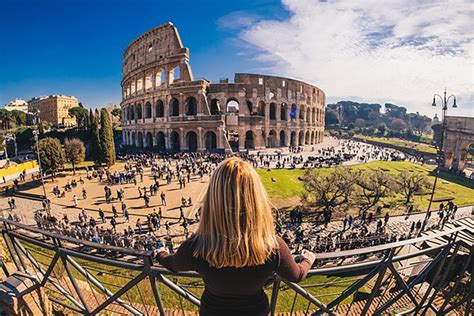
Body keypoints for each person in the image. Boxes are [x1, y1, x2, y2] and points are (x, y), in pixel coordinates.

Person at [156, 157, 316, 316]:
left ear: (213, 198)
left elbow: (172, 264)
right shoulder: (273, 246)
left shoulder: (196, 246)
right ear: (256, 198)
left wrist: (160, 253)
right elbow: (296, 275)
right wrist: (307, 259)